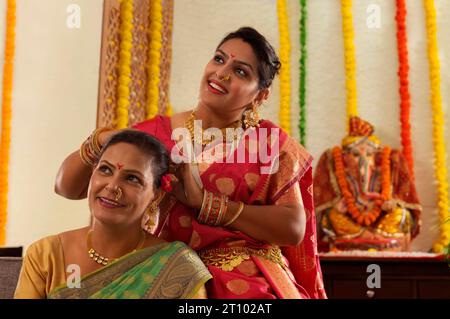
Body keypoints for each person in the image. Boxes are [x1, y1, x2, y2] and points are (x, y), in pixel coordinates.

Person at [55, 27, 326, 299]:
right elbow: (66, 187)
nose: (222, 73)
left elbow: (293, 228)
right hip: (166, 273)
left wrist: (207, 203)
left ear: (260, 95)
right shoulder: (157, 134)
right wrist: (101, 139)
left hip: (246, 278)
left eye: (241, 71)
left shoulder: (270, 143)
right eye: (219, 59)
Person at [15, 130, 211, 299]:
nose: (112, 186)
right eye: (105, 170)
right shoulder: (45, 255)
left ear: (156, 195)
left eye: (132, 178)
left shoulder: (176, 266)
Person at [314, 116, 421, 252]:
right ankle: (367, 238)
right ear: (345, 157)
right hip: (350, 228)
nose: (363, 160)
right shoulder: (334, 163)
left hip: (382, 227)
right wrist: (336, 209)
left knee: (400, 214)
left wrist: (392, 206)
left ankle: (376, 238)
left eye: (369, 154)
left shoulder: (392, 161)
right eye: (356, 155)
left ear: (377, 156)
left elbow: (409, 209)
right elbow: (319, 213)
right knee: (331, 216)